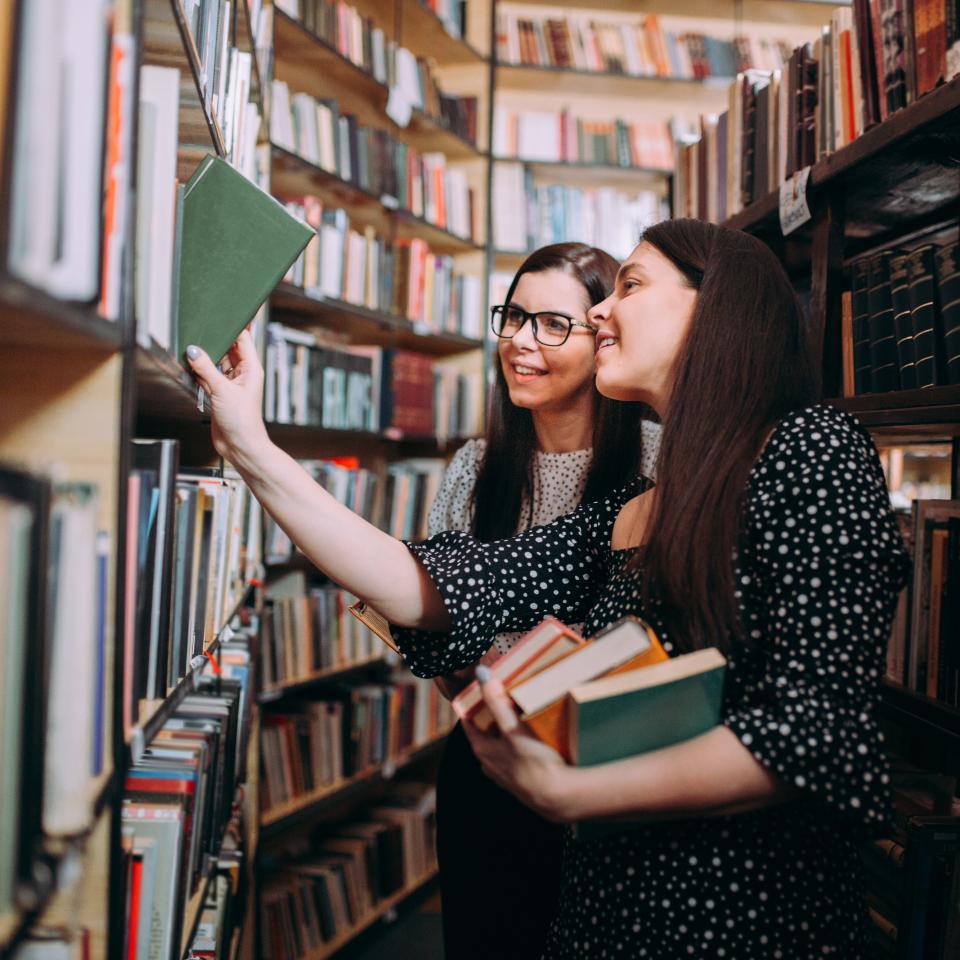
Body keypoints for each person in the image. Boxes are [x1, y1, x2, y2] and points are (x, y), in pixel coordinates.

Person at [186, 219, 910, 958]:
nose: (601, 311)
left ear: (716, 307)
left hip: (746, 923)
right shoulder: (632, 513)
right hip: (604, 913)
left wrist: (574, 795)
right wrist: (250, 445)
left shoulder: (811, 448)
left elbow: (824, 732)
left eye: (629, 285)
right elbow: (437, 583)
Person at [425, 243, 658, 960]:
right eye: (514, 317)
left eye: (552, 324)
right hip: (487, 761)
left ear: (602, 335)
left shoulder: (660, 460)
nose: (522, 341)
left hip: (610, 778)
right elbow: (436, 622)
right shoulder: (474, 466)